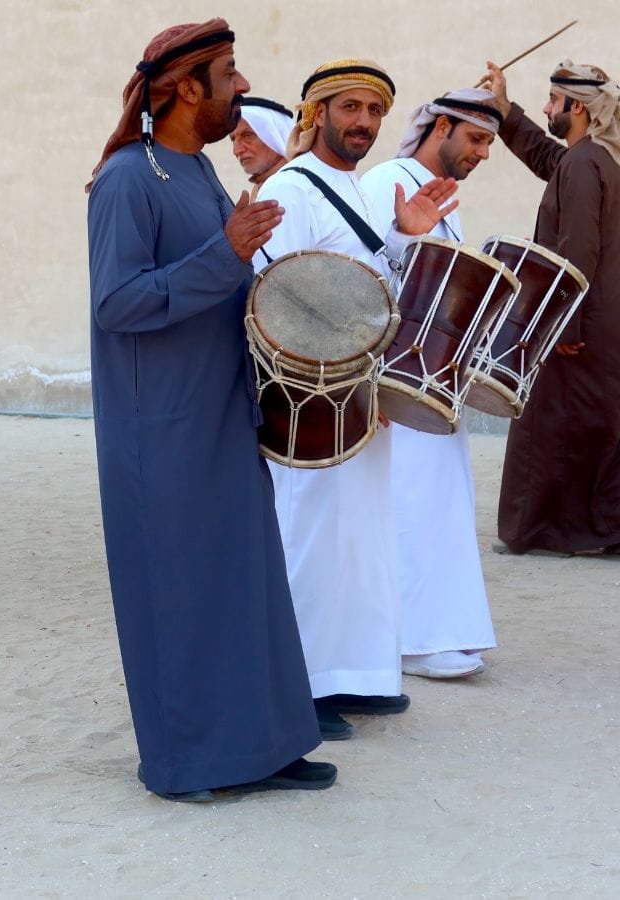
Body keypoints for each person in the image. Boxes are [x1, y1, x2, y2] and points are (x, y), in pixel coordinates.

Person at [86, 19, 336, 802]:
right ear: (187, 86)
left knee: (246, 577)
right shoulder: (130, 178)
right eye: (229, 72)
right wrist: (223, 253)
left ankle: (269, 743)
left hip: (224, 412)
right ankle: (188, 763)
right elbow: (118, 302)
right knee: (178, 589)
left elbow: (226, 276)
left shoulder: (198, 171)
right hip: (157, 426)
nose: (241, 85)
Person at [255, 59, 458, 738]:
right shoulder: (291, 186)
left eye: (373, 112)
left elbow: (372, 281)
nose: (363, 123)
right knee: (310, 535)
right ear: (316, 114)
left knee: (360, 535)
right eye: (349, 108)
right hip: (311, 396)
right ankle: (300, 686)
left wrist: (405, 236)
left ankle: (358, 675)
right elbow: (280, 291)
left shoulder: (365, 189)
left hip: (361, 392)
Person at [360, 89, 503, 679]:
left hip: (432, 381)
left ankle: (440, 630)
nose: (485, 153)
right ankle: (412, 640)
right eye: (475, 138)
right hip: (396, 382)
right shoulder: (384, 183)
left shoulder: (444, 200)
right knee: (411, 503)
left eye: (491, 142)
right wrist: (369, 376)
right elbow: (361, 277)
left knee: (439, 502)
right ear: (439, 125)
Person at [482, 59, 620, 556]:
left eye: (553, 101)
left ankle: (552, 530)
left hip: (583, 320)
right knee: (589, 423)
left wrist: (564, 322)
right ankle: (591, 530)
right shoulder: (592, 158)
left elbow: (579, 251)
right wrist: (504, 107)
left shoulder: (585, 164)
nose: (546, 108)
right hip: (598, 319)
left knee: (553, 423)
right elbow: (549, 159)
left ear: (577, 107)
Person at [229, 95, 292, 195]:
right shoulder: (264, 185)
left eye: (247, 136)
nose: (236, 151)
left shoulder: (289, 186)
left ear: (275, 137)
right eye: (233, 139)